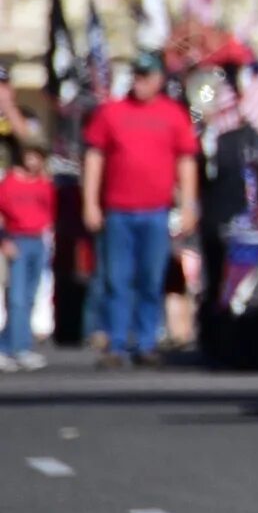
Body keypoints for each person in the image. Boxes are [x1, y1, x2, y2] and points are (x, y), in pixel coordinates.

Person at [82, 52, 198, 368]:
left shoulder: (173, 115)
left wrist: (188, 205)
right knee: (117, 279)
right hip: (118, 210)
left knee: (151, 278)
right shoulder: (111, 113)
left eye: (146, 76)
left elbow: (186, 161)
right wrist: (90, 202)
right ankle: (116, 343)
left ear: (159, 79)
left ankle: (146, 342)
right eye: (136, 75)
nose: (140, 81)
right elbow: (95, 158)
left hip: (156, 211)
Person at [1, 136, 55, 372]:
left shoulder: (44, 185)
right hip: (17, 239)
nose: (33, 161)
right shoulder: (9, 184)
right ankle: (13, 348)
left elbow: (50, 211)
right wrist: (4, 240)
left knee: (31, 296)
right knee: (17, 298)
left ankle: (18, 346)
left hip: (38, 241)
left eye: (38, 157)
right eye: (30, 156)